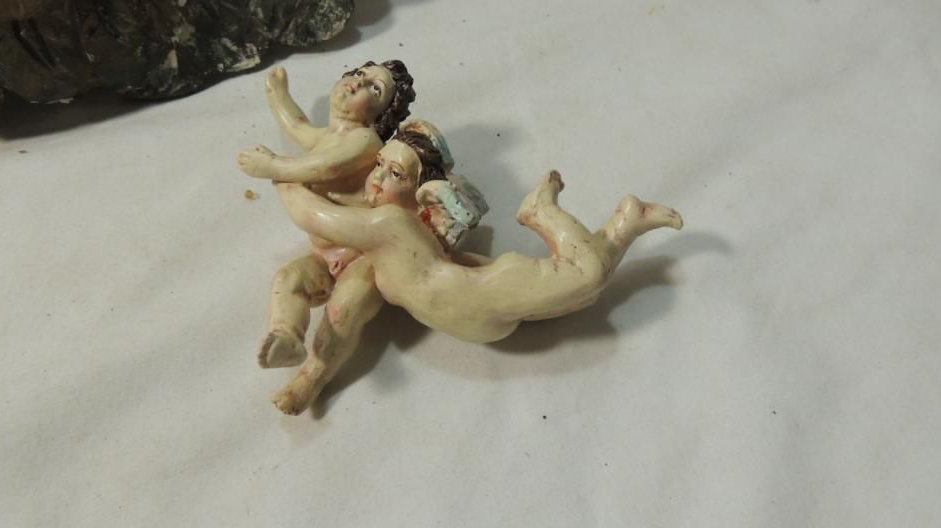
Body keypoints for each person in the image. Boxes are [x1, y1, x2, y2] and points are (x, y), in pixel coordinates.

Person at [271, 128, 682, 411]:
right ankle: (628, 222)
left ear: (419, 192)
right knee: (585, 290)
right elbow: (343, 316)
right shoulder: (397, 243)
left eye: (394, 174)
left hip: (487, 294)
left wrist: (279, 173)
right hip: (486, 309)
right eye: (379, 164)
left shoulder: (389, 224)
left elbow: (311, 215)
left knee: (587, 277)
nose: (376, 179)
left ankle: (541, 212)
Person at [237, 61, 414, 381]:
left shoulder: (365, 141)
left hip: (359, 251)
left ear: (379, 113)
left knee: (341, 314)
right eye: (358, 74)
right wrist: (278, 94)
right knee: (288, 279)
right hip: (324, 252)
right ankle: (287, 337)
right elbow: (297, 127)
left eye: (374, 88)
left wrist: (273, 166)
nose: (358, 83)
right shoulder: (328, 135)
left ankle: (316, 373)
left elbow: (321, 168)